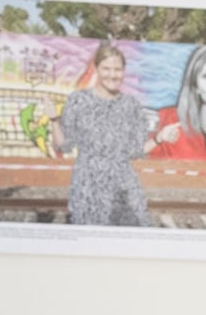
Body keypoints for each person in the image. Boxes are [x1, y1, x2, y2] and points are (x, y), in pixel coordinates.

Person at [54, 42, 152, 226]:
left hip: (124, 187)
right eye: (106, 68)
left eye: (118, 69)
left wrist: (160, 138)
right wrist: (53, 120)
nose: (113, 75)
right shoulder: (78, 101)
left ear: (124, 71)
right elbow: (64, 145)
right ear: (96, 69)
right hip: (87, 187)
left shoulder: (131, 105)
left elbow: (136, 150)